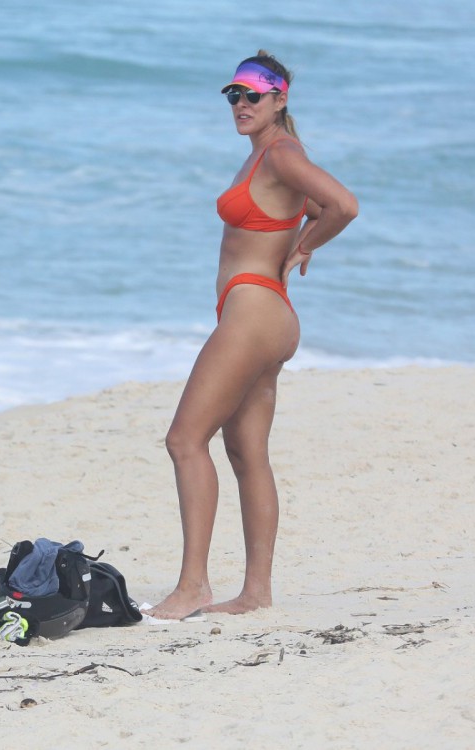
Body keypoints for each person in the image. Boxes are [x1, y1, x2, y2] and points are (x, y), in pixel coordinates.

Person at [148, 52, 358, 621]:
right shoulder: (267, 158)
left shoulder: (284, 154)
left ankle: (193, 586)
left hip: (254, 313)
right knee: (244, 452)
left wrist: (307, 247)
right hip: (265, 314)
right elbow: (310, 205)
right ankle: (256, 592)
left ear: (280, 99)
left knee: (184, 440)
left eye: (253, 95)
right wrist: (304, 228)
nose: (240, 105)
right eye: (232, 95)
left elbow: (343, 205)